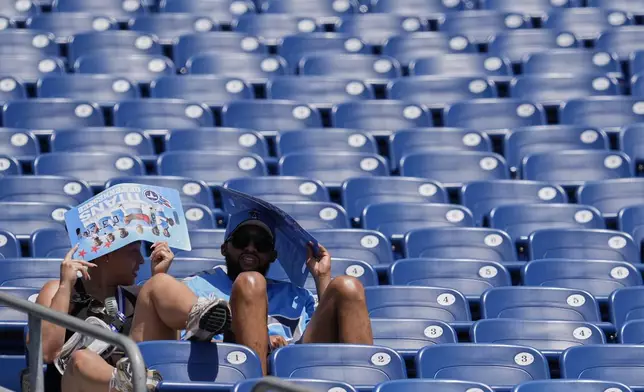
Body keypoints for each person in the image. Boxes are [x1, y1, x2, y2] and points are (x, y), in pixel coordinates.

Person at [180, 209, 375, 374]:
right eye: (241, 240)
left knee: (348, 287)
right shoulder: (195, 286)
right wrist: (259, 338)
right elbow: (189, 342)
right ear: (224, 248)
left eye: (262, 244)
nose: (250, 248)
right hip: (233, 367)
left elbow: (325, 341)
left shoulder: (296, 296)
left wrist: (322, 277)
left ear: (273, 255)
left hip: (298, 370)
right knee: (250, 282)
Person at [34, 241, 231, 392]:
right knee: (82, 359)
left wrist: (158, 275)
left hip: (147, 379)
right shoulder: (59, 289)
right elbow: (48, 353)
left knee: (160, 282)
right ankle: (126, 383)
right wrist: (65, 286)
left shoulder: (139, 294)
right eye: (134, 252)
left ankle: (200, 320)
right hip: (78, 385)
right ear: (108, 254)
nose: (141, 260)